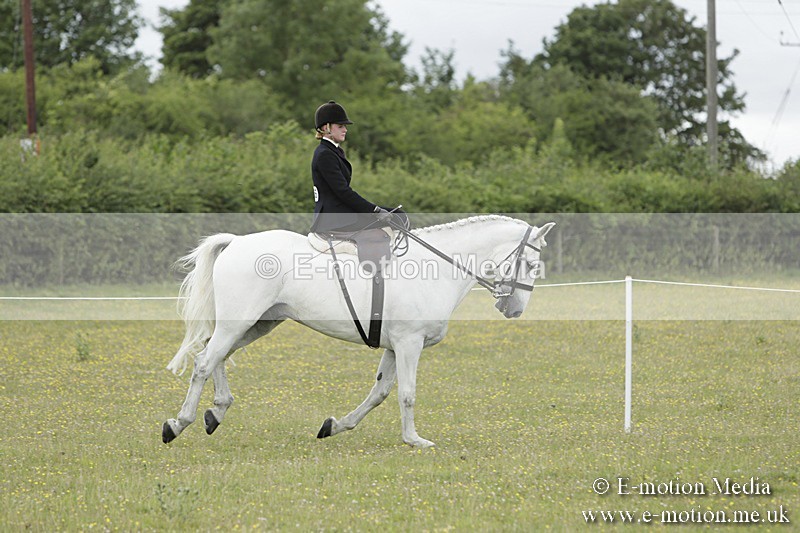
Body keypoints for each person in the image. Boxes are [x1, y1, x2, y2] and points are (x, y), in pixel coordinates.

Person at [309, 100, 401, 234]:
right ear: (325, 128)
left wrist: (374, 209)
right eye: (340, 126)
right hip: (334, 218)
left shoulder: (334, 151)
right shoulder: (325, 154)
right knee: (396, 219)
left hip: (341, 214)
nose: (345, 130)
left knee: (398, 214)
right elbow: (343, 192)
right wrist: (374, 210)